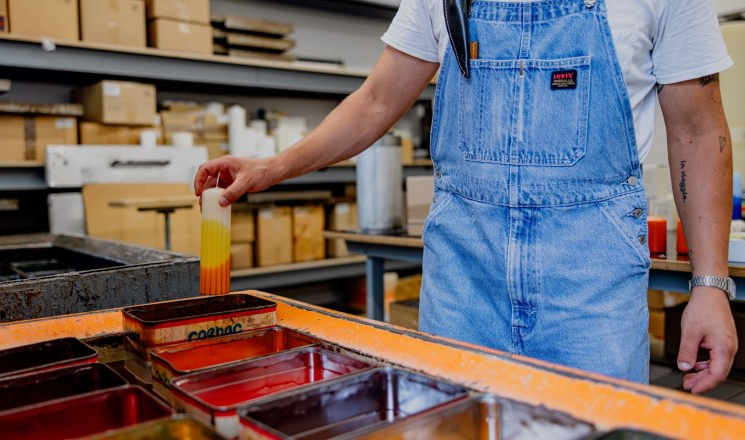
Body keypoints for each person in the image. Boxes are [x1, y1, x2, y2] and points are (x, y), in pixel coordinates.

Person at [195, 0, 737, 393]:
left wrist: (710, 285)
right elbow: (378, 99)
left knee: (596, 428)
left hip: (590, 294)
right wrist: (274, 166)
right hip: (464, 287)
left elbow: (699, 130)